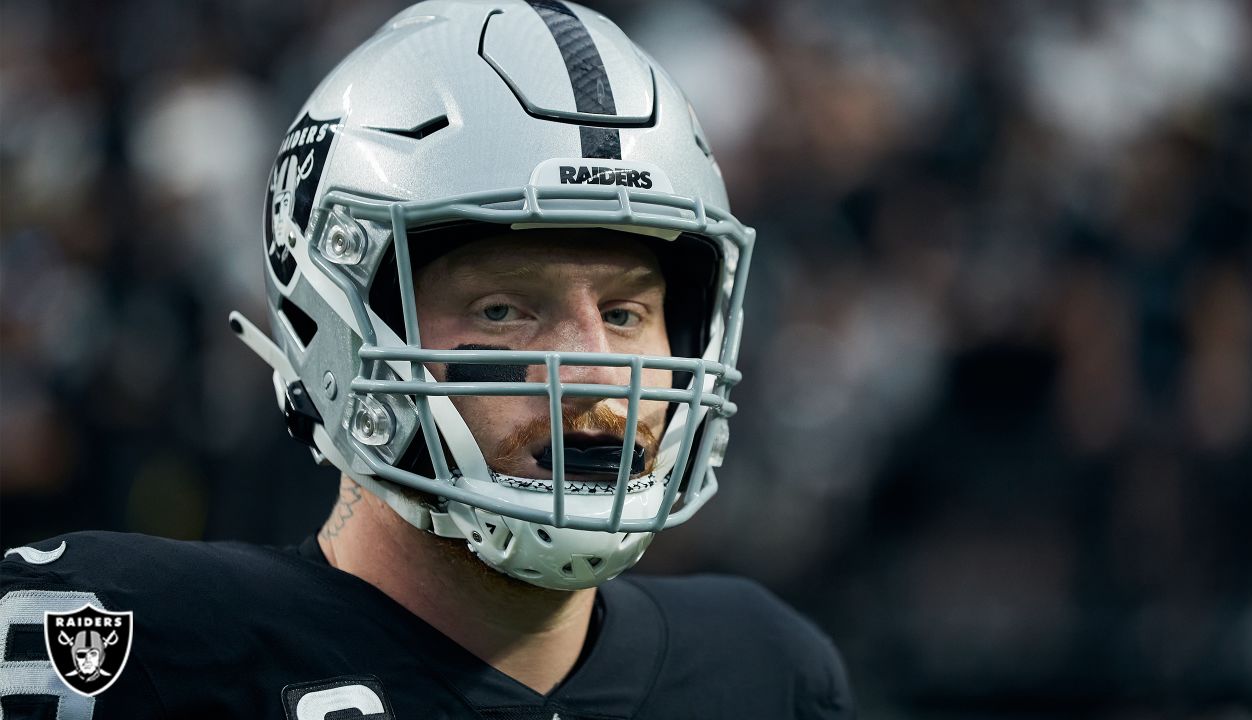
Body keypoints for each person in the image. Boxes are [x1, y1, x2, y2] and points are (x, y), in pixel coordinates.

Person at [1, 1, 854, 717]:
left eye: (628, 312)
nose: (594, 370)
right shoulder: (127, 641)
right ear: (333, 323)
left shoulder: (767, 672)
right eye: (505, 310)